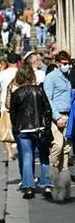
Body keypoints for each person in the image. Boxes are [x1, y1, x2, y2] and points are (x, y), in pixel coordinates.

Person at [9, 65, 52, 199]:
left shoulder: (16, 93)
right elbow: (47, 109)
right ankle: (47, 185)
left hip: (23, 128)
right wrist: (47, 124)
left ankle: (28, 187)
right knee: (44, 157)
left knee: (27, 157)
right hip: (39, 128)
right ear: (32, 76)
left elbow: (13, 113)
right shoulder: (39, 90)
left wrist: (16, 127)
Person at [43, 50, 73, 199]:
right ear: (57, 63)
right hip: (57, 117)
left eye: (69, 64)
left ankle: (64, 182)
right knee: (58, 145)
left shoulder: (67, 78)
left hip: (68, 115)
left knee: (66, 149)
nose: (68, 66)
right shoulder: (51, 78)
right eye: (65, 64)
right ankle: (52, 177)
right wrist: (56, 117)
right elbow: (48, 99)